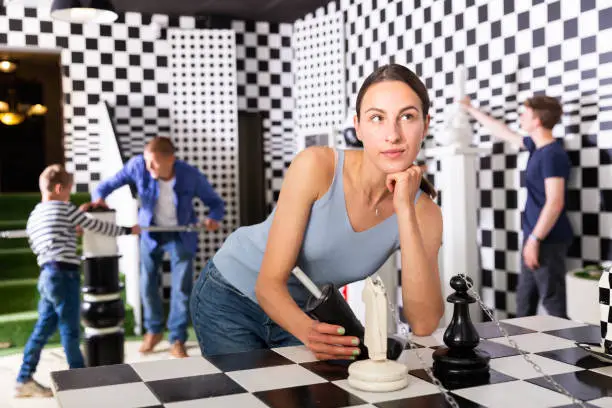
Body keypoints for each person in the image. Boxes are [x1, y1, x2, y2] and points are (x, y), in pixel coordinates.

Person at [190, 64, 444, 360]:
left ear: (425, 125)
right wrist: (311, 333)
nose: (393, 134)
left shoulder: (425, 213)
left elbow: (424, 322)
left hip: (304, 308)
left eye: (407, 116)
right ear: (358, 126)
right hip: (230, 293)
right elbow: (268, 285)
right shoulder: (316, 166)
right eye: (377, 118)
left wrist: (404, 209)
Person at [90, 136, 225, 358]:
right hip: (150, 233)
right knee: (147, 283)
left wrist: (213, 218)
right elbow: (106, 186)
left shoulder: (190, 175)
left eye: (153, 162)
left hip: (181, 234)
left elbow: (216, 204)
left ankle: (178, 337)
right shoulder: (137, 166)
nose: (148, 167)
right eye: (146, 161)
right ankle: (153, 331)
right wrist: (99, 200)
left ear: (170, 159)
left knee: (181, 288)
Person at [15, 165, 139, 398]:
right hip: (65, 275)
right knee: (70, 330)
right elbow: (96, 225)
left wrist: (72, 225)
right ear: (60, 188)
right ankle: (81, 380)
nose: (69, 195)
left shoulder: (35, 215)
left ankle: (24, 378)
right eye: (69, 190)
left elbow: (43, 238)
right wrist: (127, 229)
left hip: (46, 275)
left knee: (42, 329)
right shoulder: (65, 209)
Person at [461, 95, 573, 318]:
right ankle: (523, 350)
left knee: (553, 302)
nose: (520, 117)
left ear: (538, 120)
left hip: (546, 239)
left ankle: (568, 351)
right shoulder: (537, 148)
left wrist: (534, 240)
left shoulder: (552, 154)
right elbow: (503, 132)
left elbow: (555, 201)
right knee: (524, 300)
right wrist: (470, 109)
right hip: (536, 237)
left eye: (525, 113)